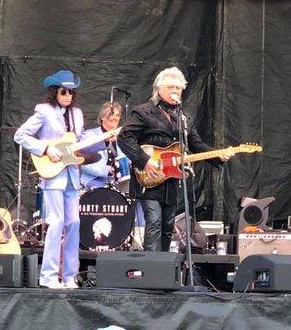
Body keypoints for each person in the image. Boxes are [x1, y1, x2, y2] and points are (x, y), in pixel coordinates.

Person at [118, 67, 233, 252]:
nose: (175, 91)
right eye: (171, 87)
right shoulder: (143, 112)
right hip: (148, 176)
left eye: (178, 88)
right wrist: (144, 161)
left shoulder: (183, 118)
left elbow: (195, 144)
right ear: (159, 89)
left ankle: (163, 266)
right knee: (154, 221)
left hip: (170, 179)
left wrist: (217, 154)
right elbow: (124, 137)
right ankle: (151, 268)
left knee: (167, 225)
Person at [14, 70, 104, 289]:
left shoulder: (78, 114)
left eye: (71, 92)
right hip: (53, 174)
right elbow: (20, 135)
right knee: (56, 223)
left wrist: (103, 140)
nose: (68, 96)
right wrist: (45, 147)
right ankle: (48, 276)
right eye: (64, 91)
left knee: (73, 222)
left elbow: (80, 140)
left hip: (72, 174)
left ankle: (70, 276)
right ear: (55, 92)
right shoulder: (43, 111)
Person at [81, 101, 129, 190]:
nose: (115, 118)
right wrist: (107, 170)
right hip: (94, 180)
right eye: (111, 114)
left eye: (117, 115)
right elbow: (82, 162)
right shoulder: (90, 135)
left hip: (118, 181)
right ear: (102, 117)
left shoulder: (123, 137)